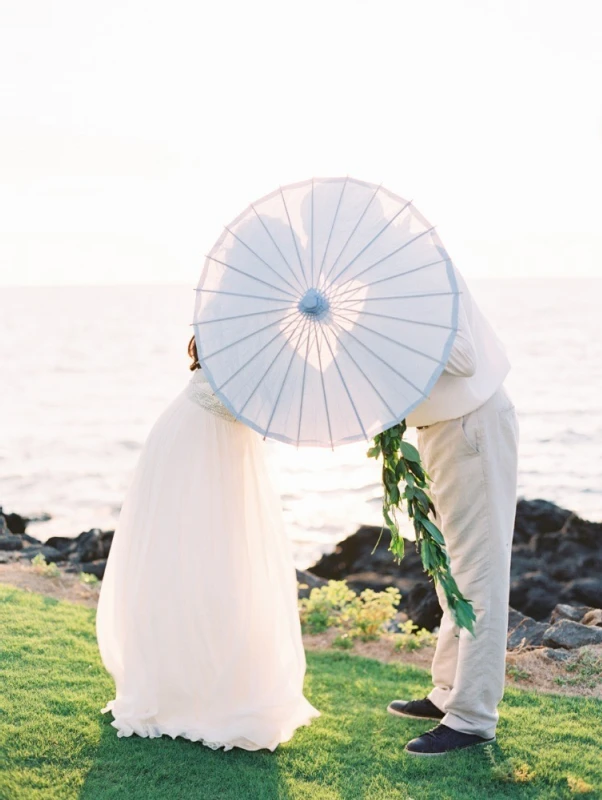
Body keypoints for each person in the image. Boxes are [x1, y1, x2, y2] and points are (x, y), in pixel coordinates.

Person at [96, 336, 319, 751]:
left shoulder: (259, 331)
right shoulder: (239, 324)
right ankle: (178, 688)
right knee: (188, 559)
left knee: (224, 563)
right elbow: (249, 403)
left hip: (220, 445)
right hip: (196, 444)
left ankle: (212, 685)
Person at [387, 267, 519, 756]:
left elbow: (461, 357)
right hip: (442, 432)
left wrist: (385, 338)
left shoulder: (424, 271)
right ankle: (448, 691)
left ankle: (473, 717)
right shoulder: (396, 285)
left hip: (471, 427)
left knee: (478, 575)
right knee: (451, 575)